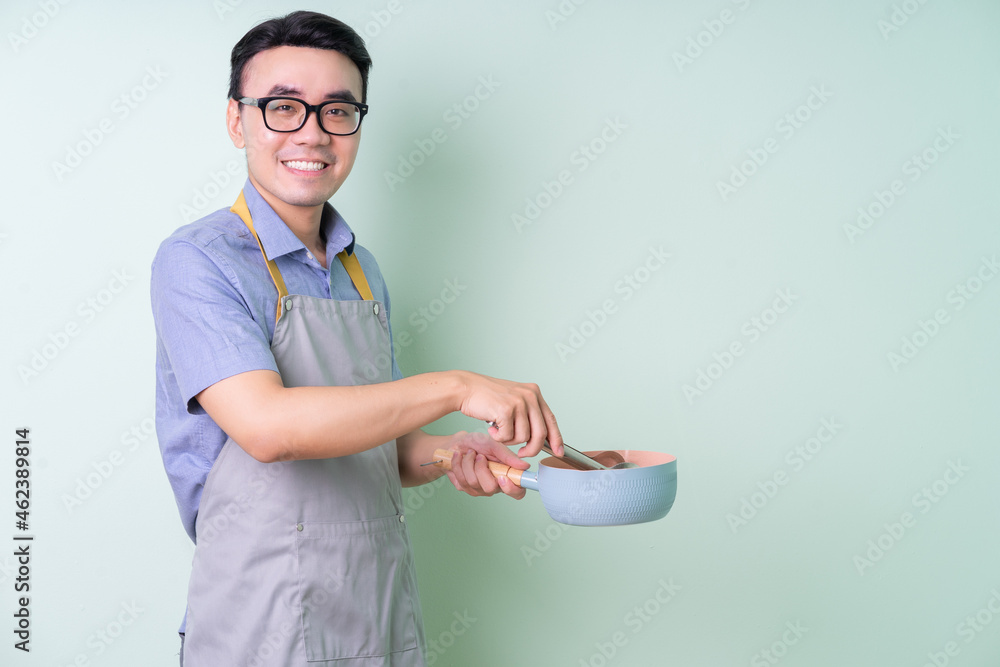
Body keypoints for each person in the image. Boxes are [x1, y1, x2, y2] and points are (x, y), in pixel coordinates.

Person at [150, 10, 563, 666]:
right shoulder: (198, 261)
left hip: (376, 612)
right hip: (262, 620)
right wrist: (457, 386)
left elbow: (386, 450)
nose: (312, 133)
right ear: (238, 120)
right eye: (283, 107)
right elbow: (268, 427)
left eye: (338, 110)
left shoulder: (359, 270)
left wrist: (455, 451)